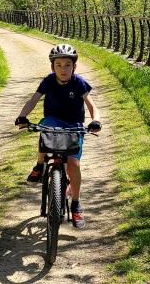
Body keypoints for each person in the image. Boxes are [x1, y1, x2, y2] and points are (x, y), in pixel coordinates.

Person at [15, 43, 101, 229]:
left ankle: (76, 204)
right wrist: (23, 116)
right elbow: (33, 100)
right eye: (59, 65)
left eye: (67, 65)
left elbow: (92, 106)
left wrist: (95, 121)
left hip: (74, 126)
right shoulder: (48, 81)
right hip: (54, 121)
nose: (63, 69)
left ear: (74, 67)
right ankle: (40, 165)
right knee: (45, 126)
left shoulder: (79, 83)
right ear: (52, 67)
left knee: (73, 164)